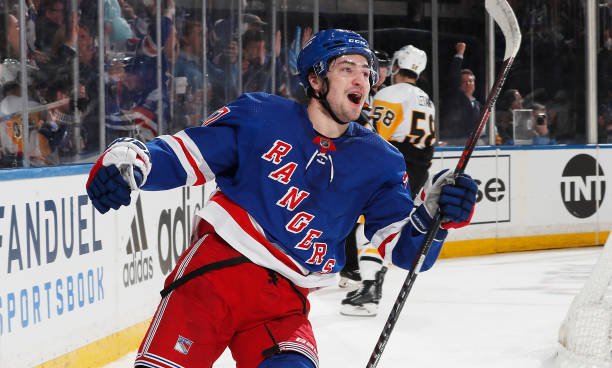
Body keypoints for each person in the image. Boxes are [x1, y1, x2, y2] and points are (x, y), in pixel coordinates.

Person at [85, 29, 477, 368]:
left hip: (284, 305)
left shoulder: (381, 161)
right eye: (347, 68)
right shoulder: (261, 116)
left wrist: (433, 216)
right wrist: (132, 159)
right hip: (215, 277)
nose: (361, 78)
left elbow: (406, 253)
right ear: (316, 80)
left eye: (366, 71)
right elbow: (180, 157)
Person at [340, 45, 436, 316]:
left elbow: (379, 136)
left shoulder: (388, 94)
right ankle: (363, 278)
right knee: (380, 227)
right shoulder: (426, 99)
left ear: (396, 66)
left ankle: (369, 290)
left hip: (393, 166)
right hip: (419, 170)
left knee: (368, 228)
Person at [338, 48, 391, 290]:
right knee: (349, 218)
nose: (380, 72)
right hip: (351, 161)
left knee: (357, 219)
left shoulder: (383, 96)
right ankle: (349, 266)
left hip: (367, 163)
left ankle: (351, 265)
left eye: (383, 67)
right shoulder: (358, 94)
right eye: (376, 67)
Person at [442, 42, 482, 145]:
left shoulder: (478, 105)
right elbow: (454, 75)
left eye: (470, 81)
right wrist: (460, 53)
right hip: (456, 145)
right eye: (464, 81)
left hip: (473, 147)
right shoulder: (457, 98)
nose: (468, 84)